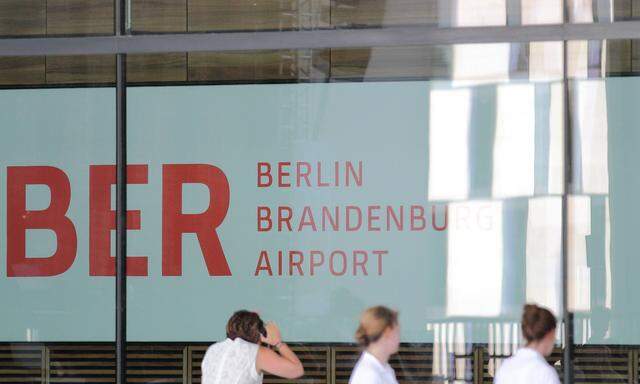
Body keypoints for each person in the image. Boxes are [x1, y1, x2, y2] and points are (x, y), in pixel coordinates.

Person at [201, 310, 304, 384]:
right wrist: (278, 342)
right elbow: (297, 371)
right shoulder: (255, 353)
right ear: (260, 334)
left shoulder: (213, 349)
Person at [494, 304, 560, 384]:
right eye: (554, 335)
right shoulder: (545, 372)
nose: (555, 340)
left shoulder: (505, 368)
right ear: (549, 334)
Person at [349, 306, 400, 384]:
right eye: (397, 332)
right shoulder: (369, 376)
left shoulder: (384, 368)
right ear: (388, 332)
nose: (399, 338)